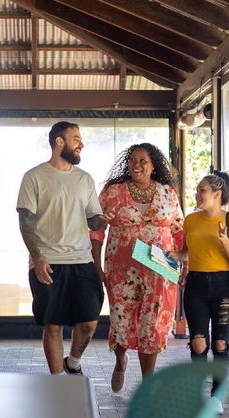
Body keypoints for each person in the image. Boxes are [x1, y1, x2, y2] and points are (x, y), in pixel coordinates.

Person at [17, 121, 115, 375]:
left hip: (82, 260)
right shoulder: (34, 177)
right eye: (75, 138)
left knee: (90, 321)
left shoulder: (84, 179)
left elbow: (92, 218)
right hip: (48, 262)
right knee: (53, 325)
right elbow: (25, 222)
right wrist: (37, 258)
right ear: (59, 142)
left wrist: (101, 219)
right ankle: (57, 380)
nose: (81, 144)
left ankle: (72, 362)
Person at [90, 143, 183, 392]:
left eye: (143, 160)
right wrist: (97, 264)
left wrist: (185, 262)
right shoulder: (112, 192)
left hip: (160, 267)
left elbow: (179, 230)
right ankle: (120, 361)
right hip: (121, 267)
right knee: (122, 317)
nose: (137, 164)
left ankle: (147, 382)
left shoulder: (168, 193)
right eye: (133, 159)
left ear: (153, 166)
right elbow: (97, 230)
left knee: (152, 322)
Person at [170, 170, 229, 413]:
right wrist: (173, 256)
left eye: (202, 190)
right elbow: (186, 253)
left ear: (216, 194)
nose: (197, 194)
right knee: (199, 343)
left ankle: (217, 397)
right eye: (198, 190)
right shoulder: (191, 220)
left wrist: (223, 239)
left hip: (224, 286)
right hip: (195, 285)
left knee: (220, 343)